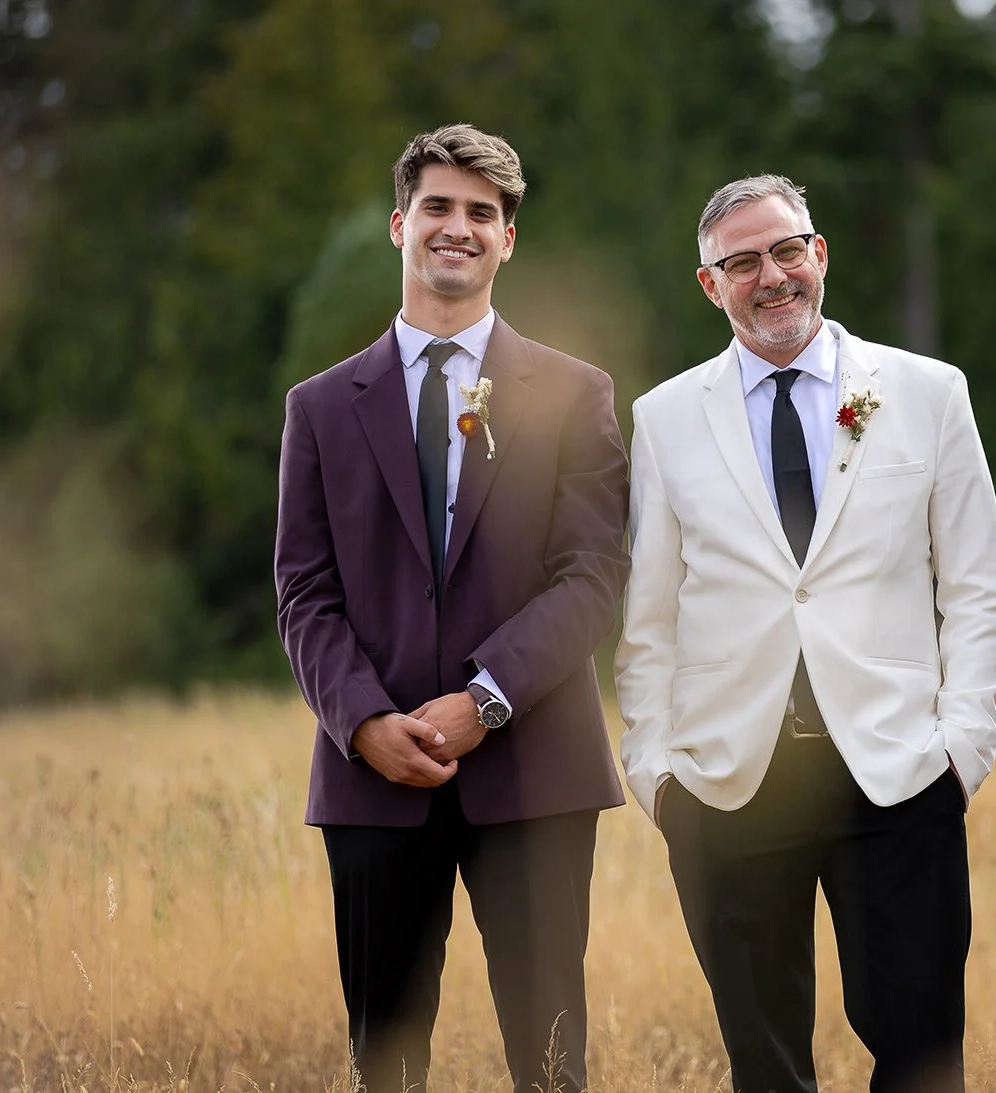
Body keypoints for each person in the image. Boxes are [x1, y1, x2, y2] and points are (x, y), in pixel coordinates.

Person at [615, 174, 996, 1093]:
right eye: (742, 261)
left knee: (922, 1057)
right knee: (767, 1066)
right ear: (710, 284)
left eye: (787, 250)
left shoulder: (927, 392)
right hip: (728, 782)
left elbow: (980, 589)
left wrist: (962, 748)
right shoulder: (665, 418)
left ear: (819, 254)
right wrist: (658, 774)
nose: (772, 276)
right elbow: (650, 623)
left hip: (898, 770)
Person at [274, 123, 629, 1093]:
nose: (457, 228)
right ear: (399, 224)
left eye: (482, 212)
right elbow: (303, 591)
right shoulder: (318, 408)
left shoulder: (575, 392)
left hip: (534, 774)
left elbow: (593, 574)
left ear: (508, 238)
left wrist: (486, 698)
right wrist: (363, 721)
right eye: (437, 206)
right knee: (383, 1065)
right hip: (373, 781)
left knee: (551, 1066)